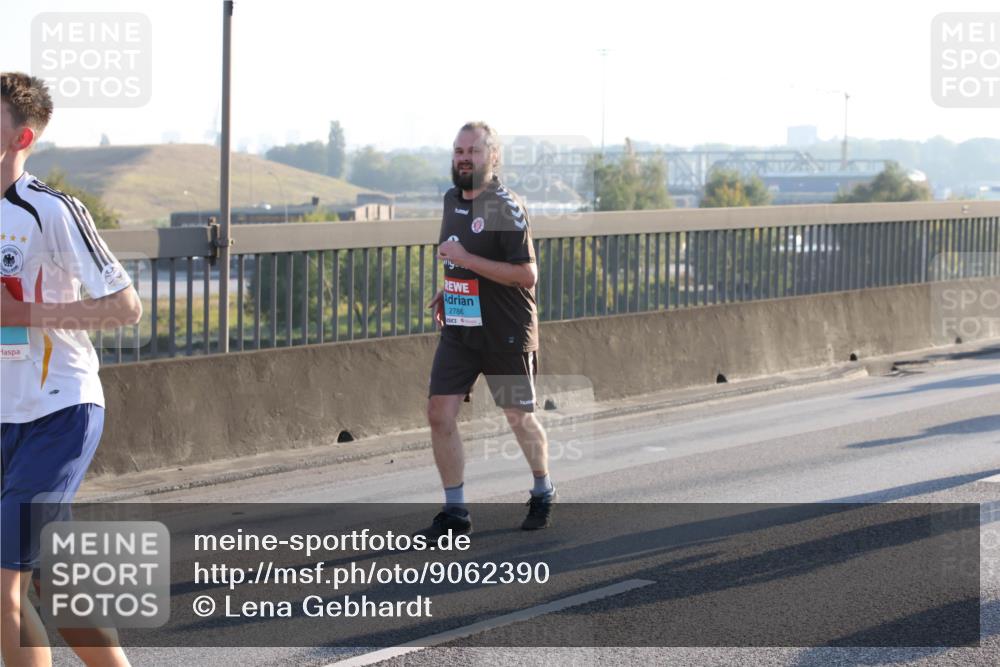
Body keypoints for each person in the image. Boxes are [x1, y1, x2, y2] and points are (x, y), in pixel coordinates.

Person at [1, 72, 140, 667]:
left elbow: (125, 307)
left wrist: (25, 311)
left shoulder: (51, 211)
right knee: (52, 590)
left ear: (20, 136)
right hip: (4, 415)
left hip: (58, 408)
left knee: (3, 586)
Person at [421, 121, 555, 538]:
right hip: (461, 330)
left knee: (518, 416)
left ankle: (542, 490)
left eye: (473, 152)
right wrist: (451, 288)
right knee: (439, 413)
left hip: (506, 333)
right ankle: (456, 512)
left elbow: (527, 275)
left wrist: (466, 258)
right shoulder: (451, 200)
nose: (464, 158)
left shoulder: (505, 206)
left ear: (492, 157)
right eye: (459, 151)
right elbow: (461, 256)